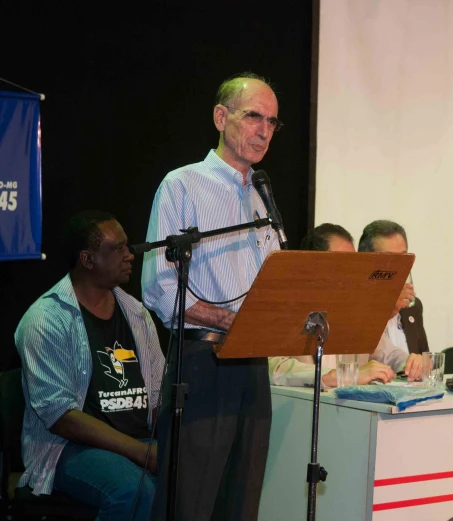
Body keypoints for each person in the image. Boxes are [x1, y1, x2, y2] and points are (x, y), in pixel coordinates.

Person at [142, 72, 281, 520]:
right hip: (204, 365)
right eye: (253, 116)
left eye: (273, 122)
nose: (264, 130)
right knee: (191, 505)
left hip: (254, 367)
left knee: (242, 503)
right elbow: (159, 286)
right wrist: (229, 321)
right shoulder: (182, 185)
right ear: (221, 117)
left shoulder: (262, 194)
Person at [14, 211, 164, 521]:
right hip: (70, 450)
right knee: (135, 491)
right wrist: (141, 453)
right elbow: (61, 417)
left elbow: (159, 392)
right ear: (88, 259)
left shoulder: (136, 313)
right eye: (118, 249)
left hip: (138, 440)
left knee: (201, 477)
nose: (129, 255)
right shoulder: (46, 319)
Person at [268, 223, 397, 387]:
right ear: (314, 268)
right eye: (343, 265)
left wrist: (412, 362)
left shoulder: (355, 310)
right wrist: (344, 376)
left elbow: (387, 353)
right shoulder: (287, 309)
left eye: (355, 265)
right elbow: (274, 369)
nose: (351, 275)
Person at [358, 220, 428, 376]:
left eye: (403, 259)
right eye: (390, 260)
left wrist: (419, 365)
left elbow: (424, 362)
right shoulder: (355, 306)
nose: (399, 267)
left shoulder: (412, 307)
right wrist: (386, 309)